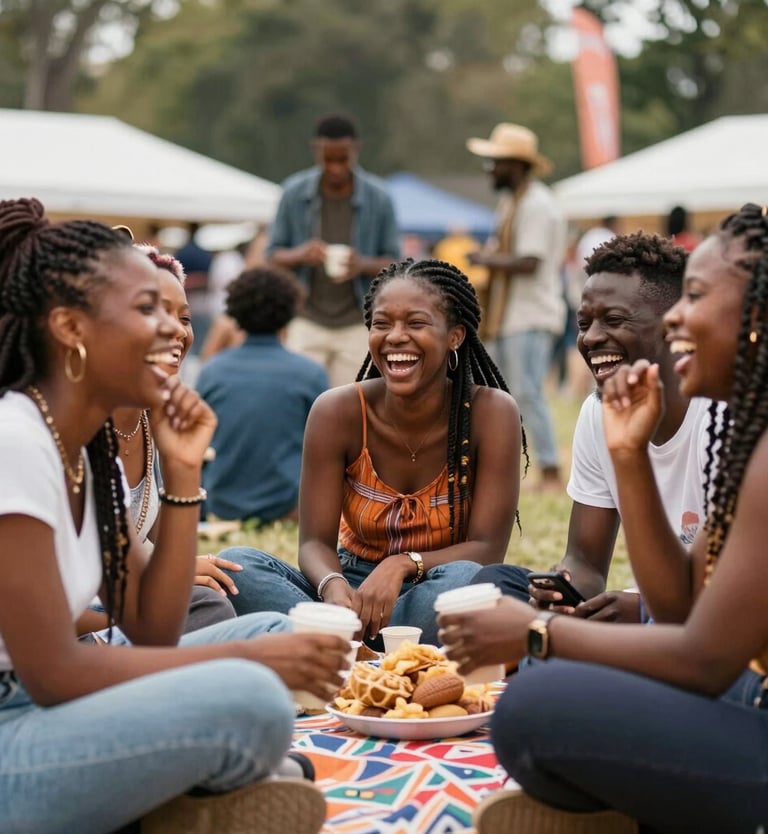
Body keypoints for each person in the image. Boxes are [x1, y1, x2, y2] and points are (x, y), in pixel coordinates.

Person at [0, 198, 348, 834]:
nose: (173, 331)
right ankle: (181, 791)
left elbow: (153, 627)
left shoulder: (88, 451)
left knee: (262, 628)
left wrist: (184, 477)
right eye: (146, 310)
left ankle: (173, 788)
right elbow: (54, 672)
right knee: (251, 696)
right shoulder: (16, 440)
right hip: (14, 730)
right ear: (72, 330)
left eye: (175, 312)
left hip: (51, 702)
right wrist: (260, 668)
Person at [439, 203, 768, 833]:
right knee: (517, 621)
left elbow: (703, 657)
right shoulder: (748, 434)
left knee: (534, 708)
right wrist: (627, 453)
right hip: (725, 677)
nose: (677, 318)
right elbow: (678, 609)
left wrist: (539, 634)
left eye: (694, 297)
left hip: (738, 693)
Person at [217, 258, 524, 647]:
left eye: (416, 323)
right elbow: (313, 542)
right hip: (347, 588)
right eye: (382, 324)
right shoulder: (337, 411)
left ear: (455, 336)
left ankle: (338, 646)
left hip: (431, 587)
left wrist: (402, 564)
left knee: (470, 579)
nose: (395, 336)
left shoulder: (491, 412)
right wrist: (333, 589)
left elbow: (487, 549)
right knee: (238, 566)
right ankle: (365, 641)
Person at [472, 232, 712, 623]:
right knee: (493, 583)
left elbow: (738, 586)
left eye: (614, 320)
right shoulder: (597, 412)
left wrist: (642, 609)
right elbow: (585, 561)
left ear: (672, 325)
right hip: (645, 610)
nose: (592, 338)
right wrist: (561, 589)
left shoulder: (719, 414)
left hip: (711, 623)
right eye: (584, 323)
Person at [78, 242, 238, 641]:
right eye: (151, 311)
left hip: (126, 612)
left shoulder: (154, 421)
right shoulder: (66, 433)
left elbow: (170, 560)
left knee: (237, 576)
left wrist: (184, 466)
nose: (177, 331)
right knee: (222, 611)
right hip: (66, 638)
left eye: (183, 316)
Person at [466, 122, 567, 490]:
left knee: (527, 391)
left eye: (496, 162)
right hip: (506, 317)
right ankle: (503, 467)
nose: (490, 169)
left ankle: (552, 470)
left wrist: (485, 260)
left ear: (517, 165)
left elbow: (529, 261)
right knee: (498, 393)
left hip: (531, 314)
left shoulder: (538, 205)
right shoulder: (511, 202)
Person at [267, 112, 400, 387]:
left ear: (356, 150)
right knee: (301, 399)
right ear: (316, 150)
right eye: (329, 159)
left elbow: (396, 262)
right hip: (306, 318)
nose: (336, 168)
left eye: (343, 159)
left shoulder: (379, 198)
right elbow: (273, 254)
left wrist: (361, 265)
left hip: (358, 320)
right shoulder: (294, 192)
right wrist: (301, 254)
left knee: (353, 404)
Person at [197, 267, 329, 524]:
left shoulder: (212, 371)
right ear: (290, 313)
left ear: (235, 312)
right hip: (288, 508)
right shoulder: (311, 374)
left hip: (221, 505)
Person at [174, 221, 213, 354]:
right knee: (198, 342)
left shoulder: (183, 252)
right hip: (201, 301)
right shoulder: (203, 253)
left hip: (186, 299)